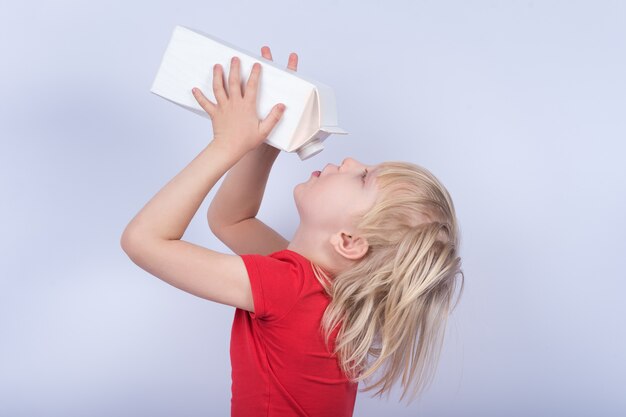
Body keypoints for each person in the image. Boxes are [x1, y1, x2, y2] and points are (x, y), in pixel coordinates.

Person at [121, 45, 464, 417]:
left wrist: (226, 146)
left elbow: (143, 241)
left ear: (348, 242)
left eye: (364, 177)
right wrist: (268, 139)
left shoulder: (289, 289)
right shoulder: (322, 289)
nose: (351, 160)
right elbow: (230, 221)